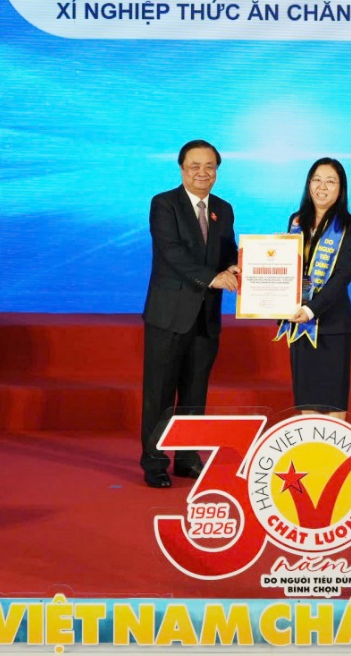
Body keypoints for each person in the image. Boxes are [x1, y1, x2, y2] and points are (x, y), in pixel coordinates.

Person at [140, 140, 239, 488]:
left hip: (206, 316)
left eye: (209, 166)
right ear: (182, 168)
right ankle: (154, 461)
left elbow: (227, 249)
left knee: (195, 393)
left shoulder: (223, 209)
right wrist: (213, 278)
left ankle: (186, 457)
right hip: (169, 315)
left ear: (217, 171)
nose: (202, 172)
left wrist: (239, 265)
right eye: (195, 166)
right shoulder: (164, 204)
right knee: (160, 393)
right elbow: (172, 253)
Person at [276, 158, 351, 419]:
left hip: (332, 322)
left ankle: (334, 448)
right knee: (307, 397)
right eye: (317, 180)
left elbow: (343, 276)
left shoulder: (350, 226)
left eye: (330, 181)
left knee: (333, 400)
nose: (322, 187)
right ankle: (310, 447)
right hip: (297, 321)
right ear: (309, 184)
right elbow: (285, 264)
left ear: (341, 188)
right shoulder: (296, 220)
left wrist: (311, 309)